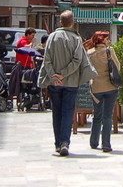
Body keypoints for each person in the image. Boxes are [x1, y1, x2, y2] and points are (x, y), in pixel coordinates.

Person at [38, 10, 92, 156]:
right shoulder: (76, 39)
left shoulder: (52, 37)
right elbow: (77, 60)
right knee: (68, 113)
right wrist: (64, 74)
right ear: (72, 23)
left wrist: (55, 76)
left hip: (54, 82)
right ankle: (64, 143)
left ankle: (57, 143)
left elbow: (46, 60)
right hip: (71, 82)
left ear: (60, 23)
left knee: (57, 112)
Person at [87, 30, 121, 152]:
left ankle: (93, 142)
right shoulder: (109, 51)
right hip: (111, 87)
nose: (109, 41)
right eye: (107, 39)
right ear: (103, 40)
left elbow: (87, 70)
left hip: (96, 88)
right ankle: (106, 144)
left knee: (97, 115)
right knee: (108, 116)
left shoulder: (89, 53)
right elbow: (118, 66)